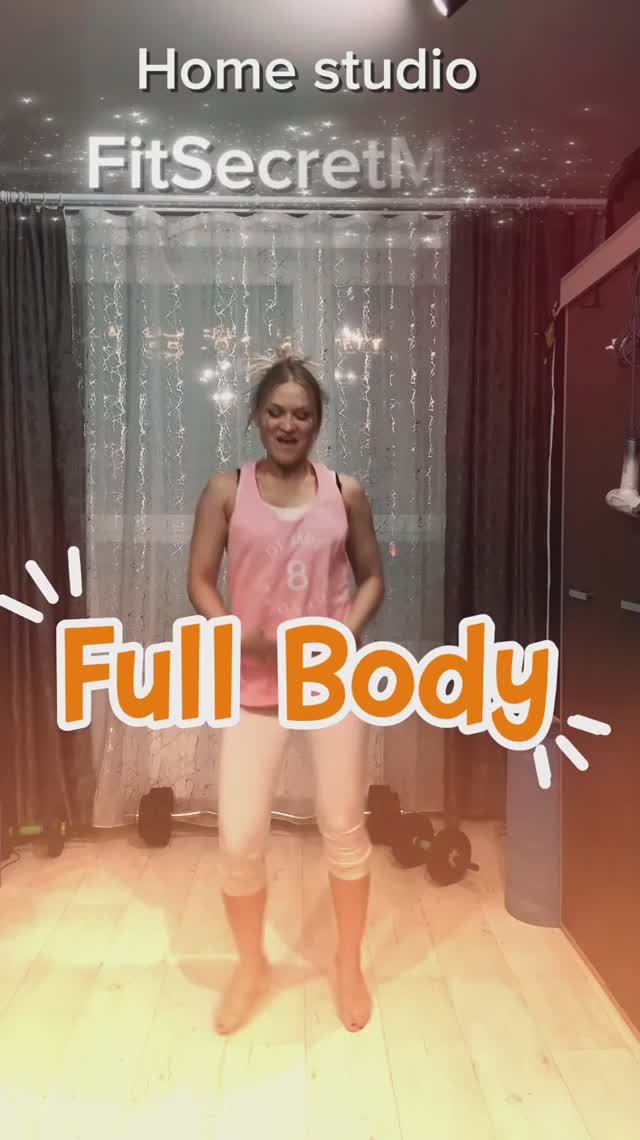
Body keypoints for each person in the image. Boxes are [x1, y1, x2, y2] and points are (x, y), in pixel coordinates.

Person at [187, 350, 385, 1035]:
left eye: (301, 414)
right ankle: (252, 966)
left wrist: (341, 637)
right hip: (252, 685)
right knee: (239, 838)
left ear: (317, 422)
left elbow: (371, 578)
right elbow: (200, 580)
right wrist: (232, 632)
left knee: (343, 825)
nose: (288, 424)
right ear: (257, 416)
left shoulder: (346, 492)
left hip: (330, 686)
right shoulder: (225, 490)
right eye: (276, 411)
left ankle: (348, 963)